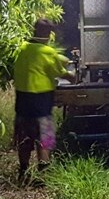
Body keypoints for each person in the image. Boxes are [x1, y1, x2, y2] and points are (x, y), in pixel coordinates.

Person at [13, 19, 74, 181]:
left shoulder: (22, 49)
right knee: (45, 135)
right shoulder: (48, 52)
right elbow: (61, 72)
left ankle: (23, 170)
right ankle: (44, 171)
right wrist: (72, 77)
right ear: (48, 33)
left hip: (22, 99)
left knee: (24, 136)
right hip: (41, 100)